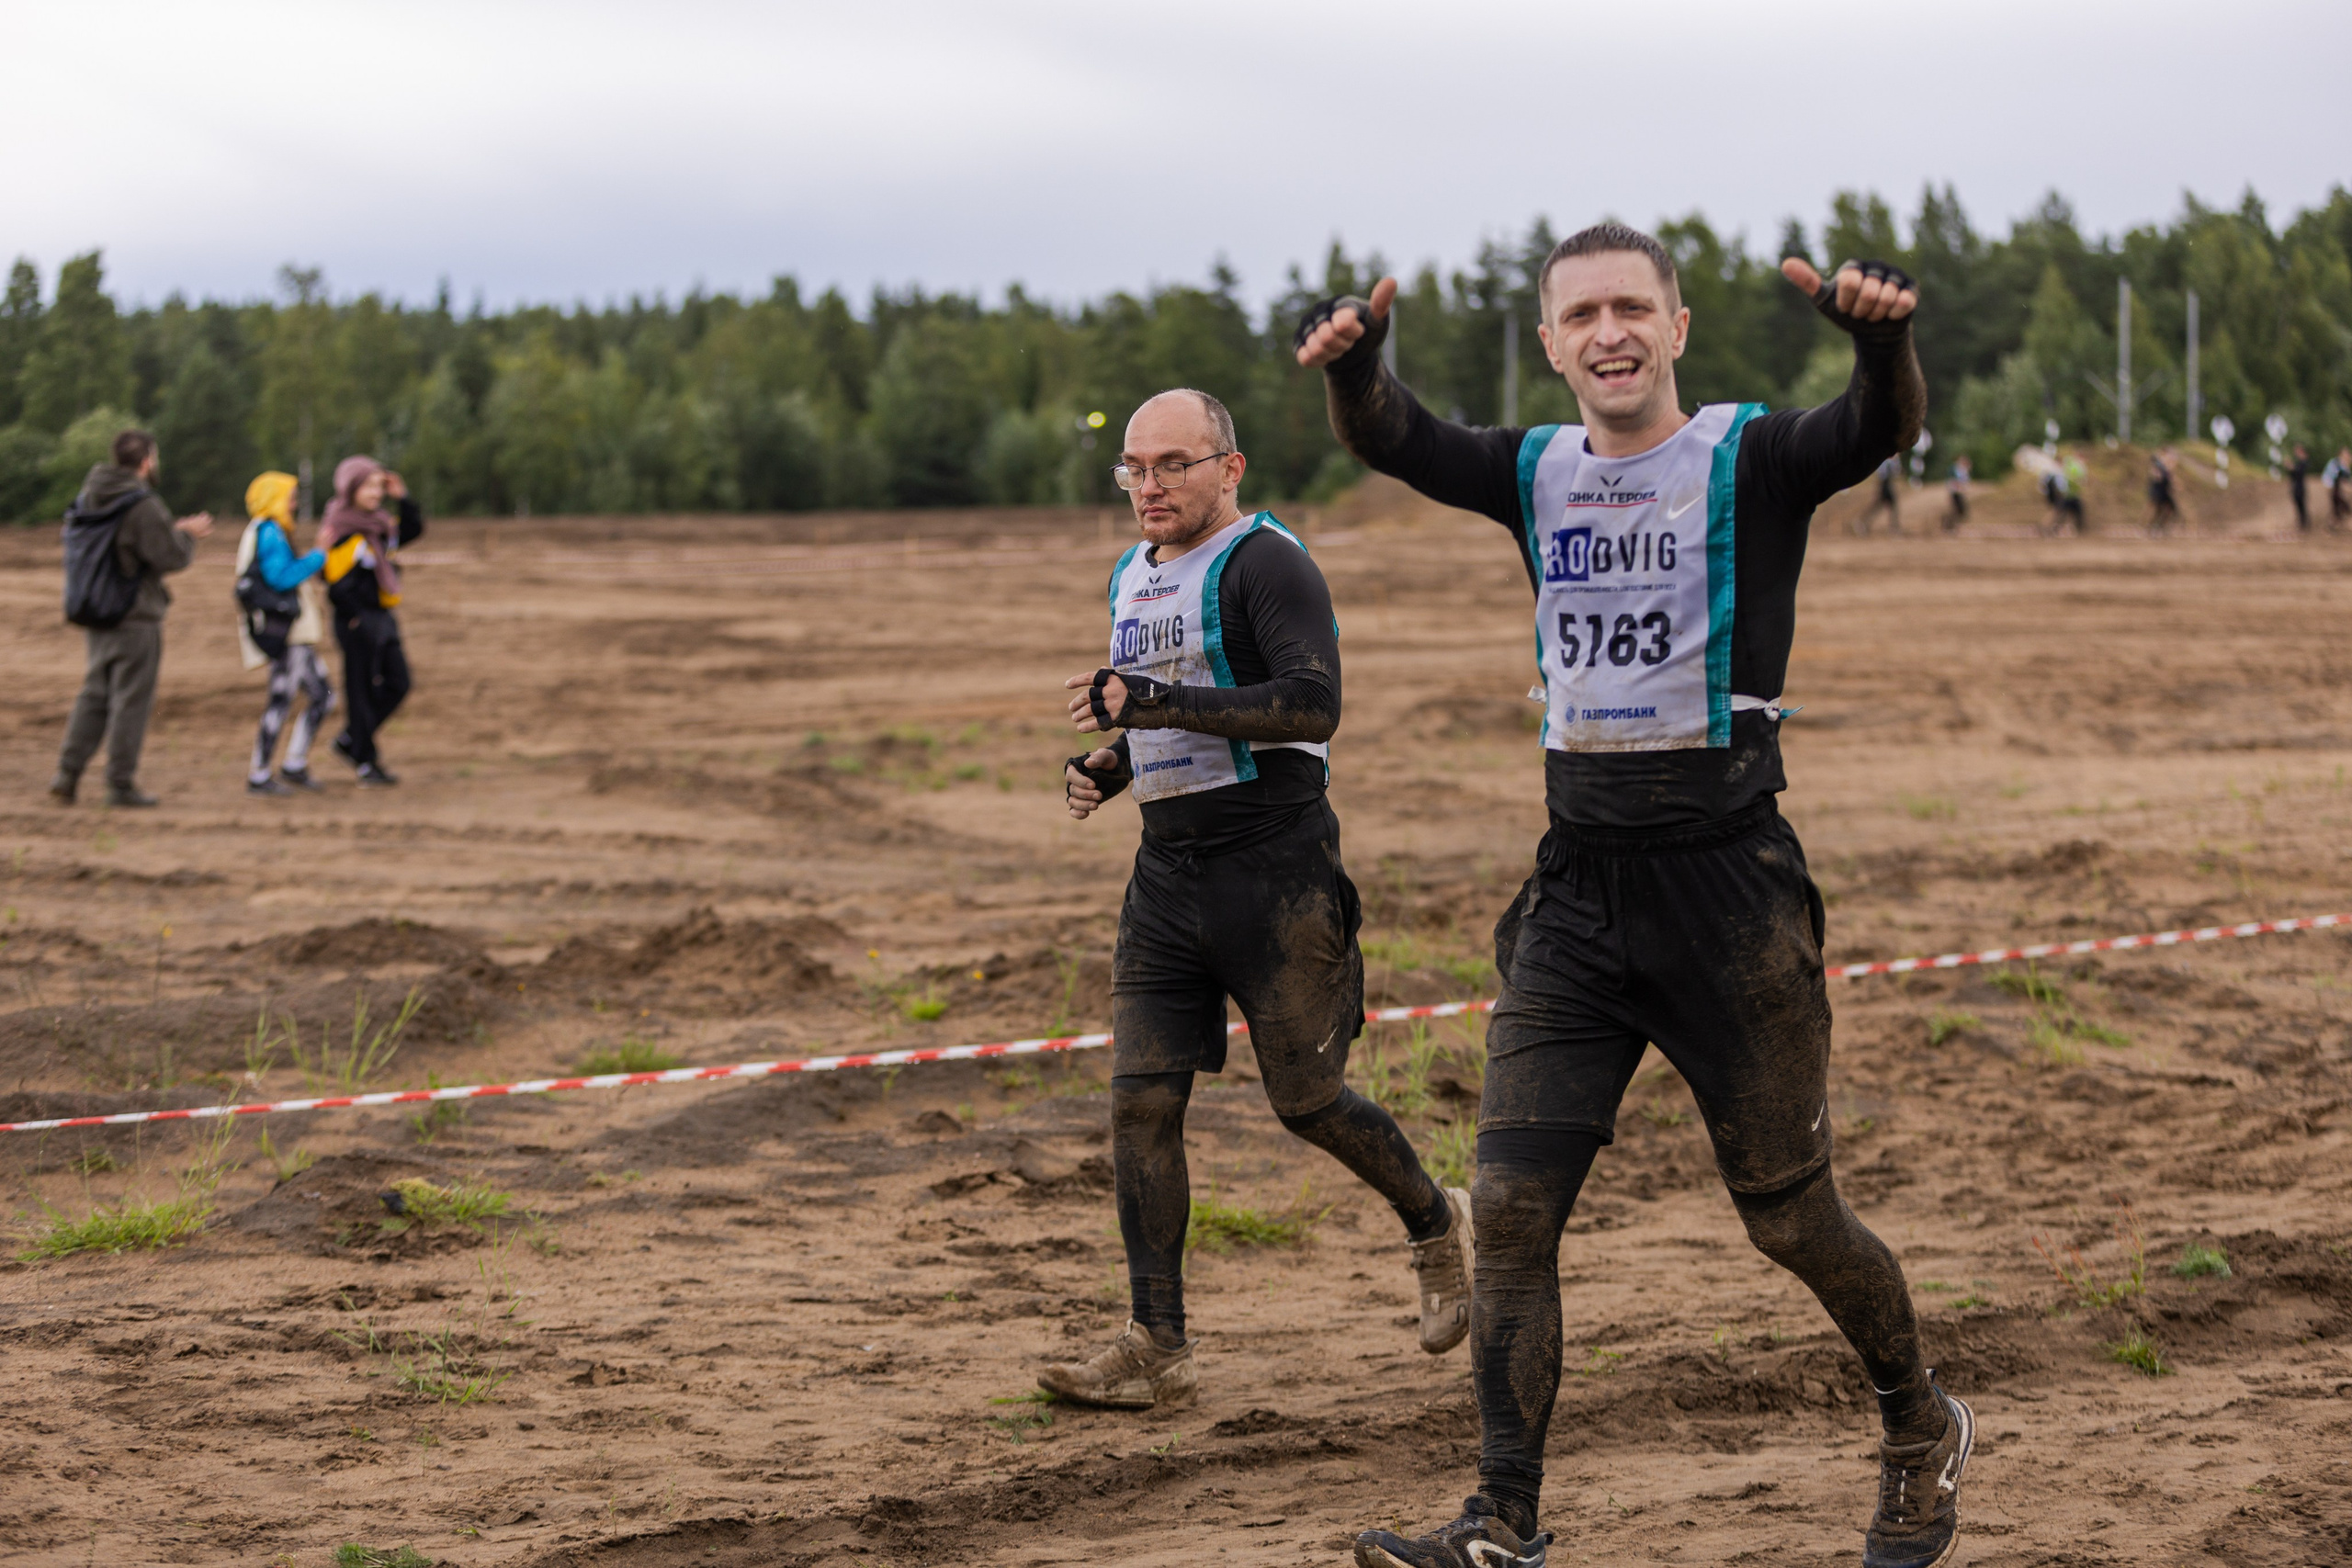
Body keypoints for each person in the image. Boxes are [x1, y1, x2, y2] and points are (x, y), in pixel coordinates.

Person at [1297, 228, 1971, 1568]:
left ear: (1675, 329)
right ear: (1552, 344)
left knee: (1789, 1213)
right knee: (1513, 1207)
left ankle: (1916, 1421)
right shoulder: (1534, 471)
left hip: (1732, 895)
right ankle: (1504, 1519)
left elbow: (1876, 426)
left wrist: (1883, 339)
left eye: (1631, 308)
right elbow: (1395, 438)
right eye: (1581, 314)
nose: (1608, 332)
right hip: (1577, 897)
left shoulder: (1751, 457)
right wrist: (1358, 368)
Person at [1036, 388, 1473, 1413]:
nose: (1150, 485)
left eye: (1173, 465)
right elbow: (1176, 710)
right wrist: (1116, 763)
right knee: (1140, 1100)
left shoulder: (1268, 562)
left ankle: (1434, 1221)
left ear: (1228, 469)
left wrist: (1149, 704)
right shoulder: (1131, 576)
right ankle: (1156, 1343)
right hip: (1167, 883)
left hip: (1279, 880)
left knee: (1307, 1103)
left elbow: (1310, 703)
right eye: (1134, 469)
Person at [47, 429, 214, 808]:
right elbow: (169, 556)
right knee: (131, 701)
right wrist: (186, 535)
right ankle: (120, 784)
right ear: (146, 461)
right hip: (134, 615)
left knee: (94, 695)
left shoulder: (90, 496)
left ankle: (66, 775)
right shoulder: (142, 504)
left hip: (95, 610)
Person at [319, 456, 424, 786]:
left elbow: (412, 530)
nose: (376, 492)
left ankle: (352, 739)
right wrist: (354, 618)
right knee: (360, 690)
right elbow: (333, 581)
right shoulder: (340, 528)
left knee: (399, 682)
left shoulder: (379, 526)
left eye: (380, 485)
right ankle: (366, 761)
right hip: (355, 622)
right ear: (351, 488)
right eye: (369, 485)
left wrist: (403, 496)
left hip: (381, 617)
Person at [234, 471, 334, 795]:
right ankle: (260, 773)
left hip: (295, 635)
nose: (293, 503)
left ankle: (293, 763)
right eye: (290, 496)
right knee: (283, 699)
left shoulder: (266, 531)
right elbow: (280, 578)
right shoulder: (269, 532)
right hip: (288, 634)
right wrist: (319, 554)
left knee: (322, 695)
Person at [1856, 454, 1901, 535]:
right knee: (1888, 505)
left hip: (1886, 483)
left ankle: (1862, 523)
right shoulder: (1889, 459)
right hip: (1885, 484)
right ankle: (1893, 528)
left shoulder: (1890, 459)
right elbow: (1890, 471)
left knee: (1883, 505)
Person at [2146, 448, 2181, 535]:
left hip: (2164, 492)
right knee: (2158, 510)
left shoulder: (2165, 467)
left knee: (2168, 510)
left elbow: (2170, 478)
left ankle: (2159, 528)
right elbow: (2156, 475)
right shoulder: (2159, 465)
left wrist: (2175, 485)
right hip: (2158, 491)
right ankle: (2152, 528)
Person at [1943, 455, 1971, 531]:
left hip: (1959, 493)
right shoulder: (1954, 469)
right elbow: (1952, 481)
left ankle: (1954, 526)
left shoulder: (1963, 470)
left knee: (1960, 511)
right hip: (1955, 492)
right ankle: (1949, 526)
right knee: (1956, 510)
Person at [2288, 445, 2311, 534]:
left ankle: (2304, 524)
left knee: (2302, 506)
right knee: (2298, 506)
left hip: (2300, 487)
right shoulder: (2299, 463)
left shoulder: (2303, 463)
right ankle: (2302, 524)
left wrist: (2292, 468)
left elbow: (2299, 472)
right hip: (2296, 487)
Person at [2327, 447, 2350, 532]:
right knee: (2342, 509)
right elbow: (2339, 479)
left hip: (2339, 491)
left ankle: (2333, 525)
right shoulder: (2337, 464)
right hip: (2337, 491)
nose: (2347, 455)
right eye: (2345, 453)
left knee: (2338, 511)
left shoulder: (2344, 465)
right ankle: (2333, 525)